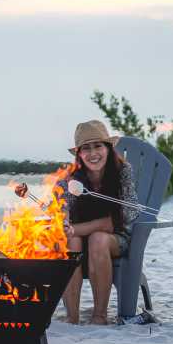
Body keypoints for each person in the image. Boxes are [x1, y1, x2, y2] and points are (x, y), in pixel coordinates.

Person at [57, 120, 138, 325]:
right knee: (71, 242)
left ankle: (99, 315)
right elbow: (61, 208)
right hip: (79, 237)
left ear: (108, 148)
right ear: (79, 154)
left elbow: (118, 220)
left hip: (115, 238)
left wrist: (76, 229)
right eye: (86, 148)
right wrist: (65, 223)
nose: (93, 154)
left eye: (98, 146)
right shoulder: (70, 177)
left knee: (98, 239)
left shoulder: (122, 172)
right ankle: (72, 317)